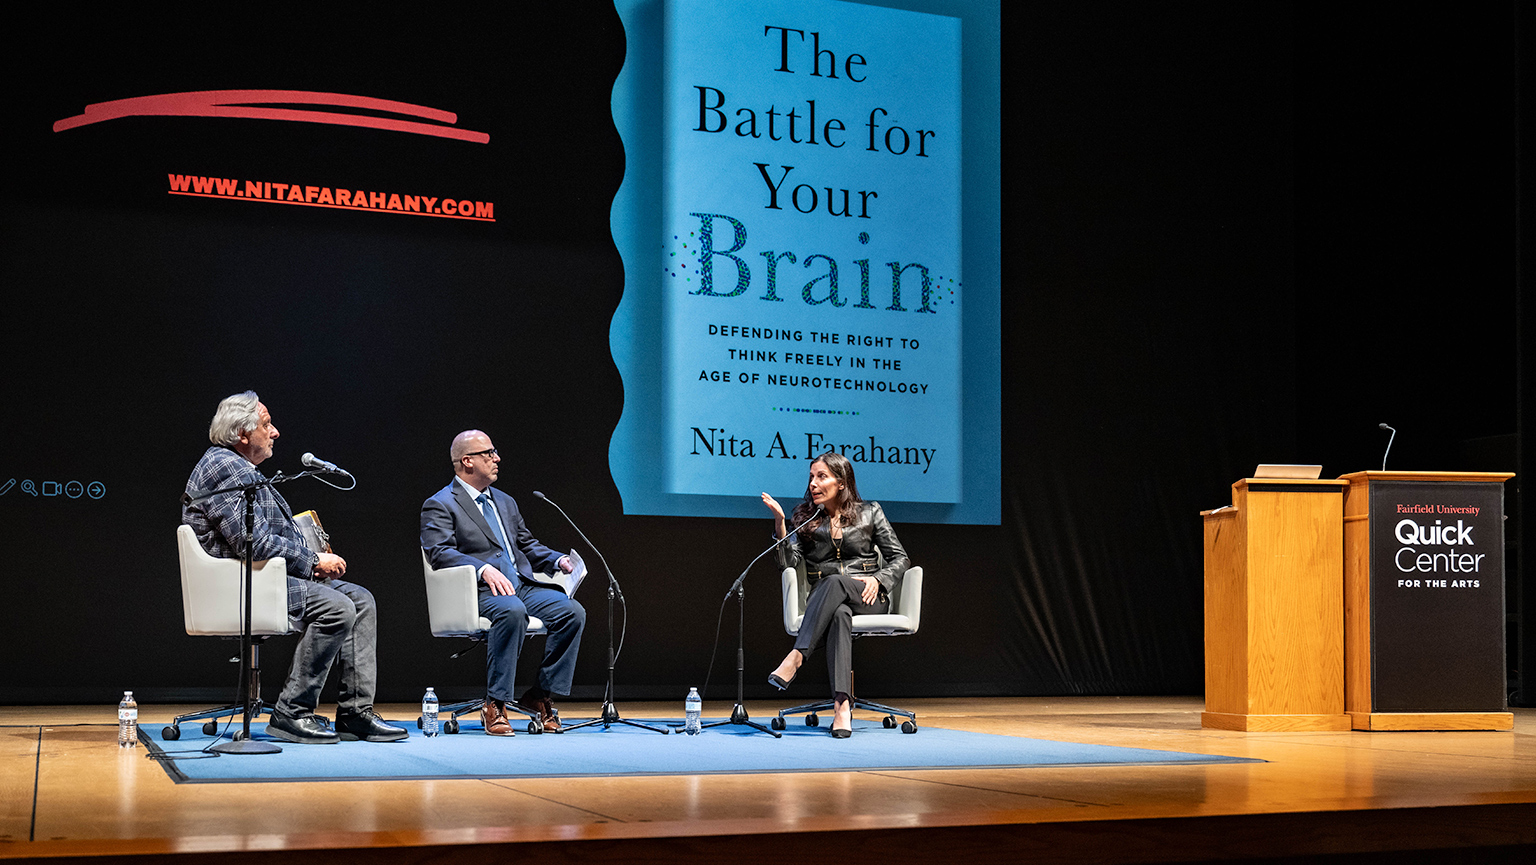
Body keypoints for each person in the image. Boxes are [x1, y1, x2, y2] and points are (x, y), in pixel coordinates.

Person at [182, 391, 407, 744]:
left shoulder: (243, 470)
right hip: (240, 582)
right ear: (242, 434)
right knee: (336, 607)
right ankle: (292, 712)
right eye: (267, 424)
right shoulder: (225, 467)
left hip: (265, 576)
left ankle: (354, 713)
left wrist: (313, 558)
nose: (276, 433)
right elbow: (250, 541)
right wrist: (314, 560)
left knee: (360, 600)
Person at [420, 430, 586, 736]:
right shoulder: (441, 503)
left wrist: (557, 560)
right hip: (476, 592)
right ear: (467, 461)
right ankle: (495, 702)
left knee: (571, 612)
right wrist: (482, 569)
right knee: (511, 610)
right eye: (489, 453)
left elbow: (526, 545)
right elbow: (438, 552)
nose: (497, 459)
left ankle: (539, 695)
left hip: (519, 585)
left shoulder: (505, 502)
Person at [761, 451, 910, 738]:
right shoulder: (805, 517)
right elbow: (786, 562)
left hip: (868, 598)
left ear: (841, 482)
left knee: (835, 582)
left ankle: (796, 656)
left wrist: (879, 580)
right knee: (839, 611)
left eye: (822, 476)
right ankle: (842, 707)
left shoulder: (870, 512)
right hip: (829, 602)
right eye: (811, 477)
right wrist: (780, 523)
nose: (814, 484)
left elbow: (900, 558)